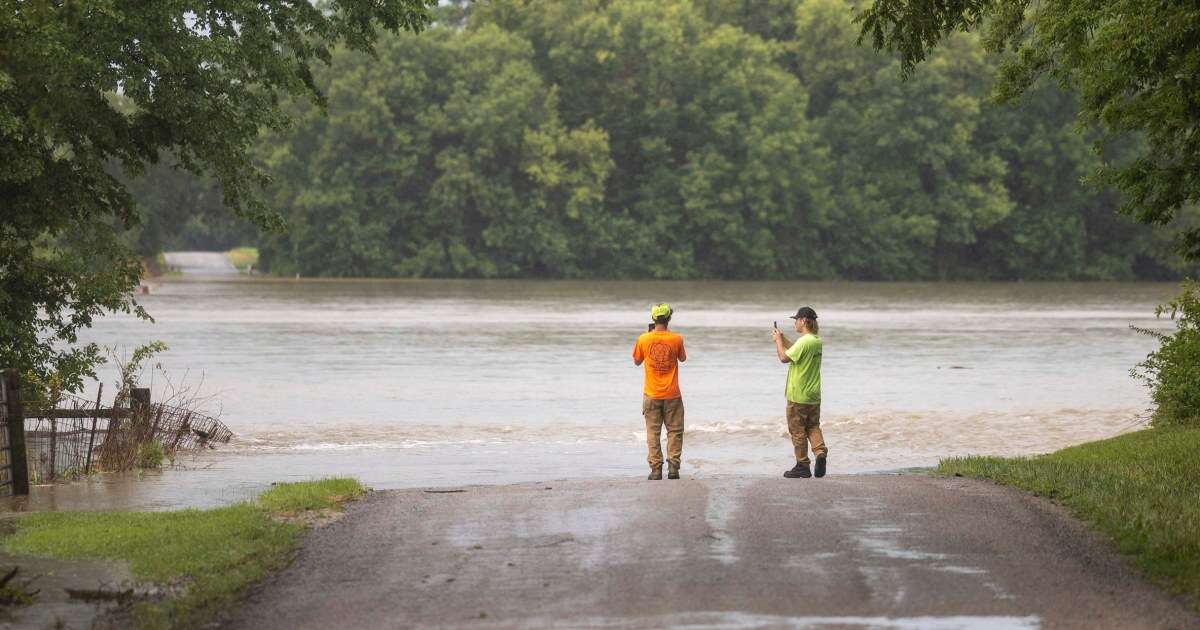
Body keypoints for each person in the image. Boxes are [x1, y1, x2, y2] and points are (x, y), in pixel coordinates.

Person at [633, 303, 687, 480]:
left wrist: (649, 337)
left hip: (651, 394)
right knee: (675, 431)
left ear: (653, 319)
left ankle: (656, 470)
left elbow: (637, 361)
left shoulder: (644, 339)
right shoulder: (677, 339)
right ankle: (673, 469)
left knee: (652, 433)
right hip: (672, 394)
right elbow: (682, 358)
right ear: (669, 318)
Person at [772, 306, 828, 479]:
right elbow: (796, 350)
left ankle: (802, 465)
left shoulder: (805, 342)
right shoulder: (815, 340)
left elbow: (784, 357)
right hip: (813, 395)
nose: (795, 323)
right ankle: (820, 453)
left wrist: (777, 342)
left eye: (796, 319)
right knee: (813, 426)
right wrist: (782, 338)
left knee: (797, 430)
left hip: (798, 396)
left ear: (803, 321)